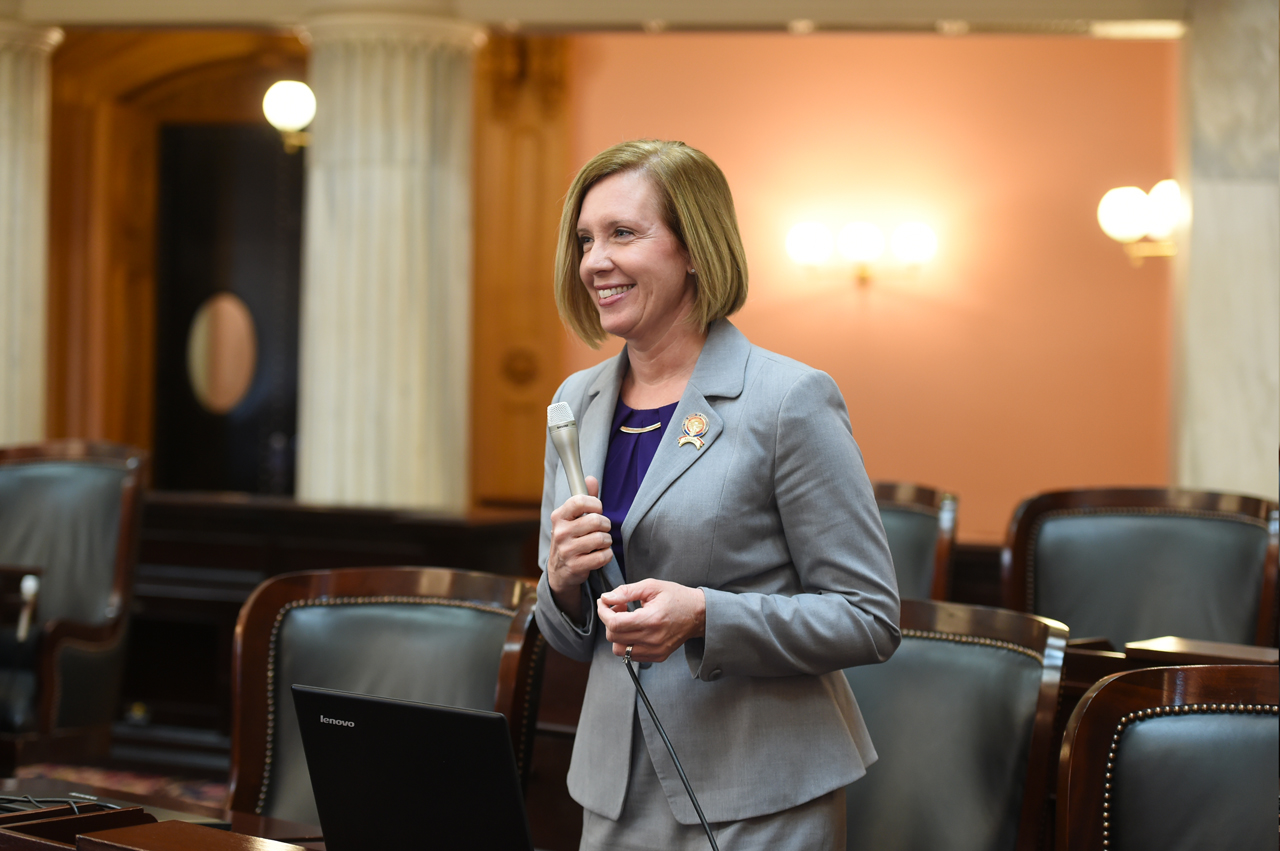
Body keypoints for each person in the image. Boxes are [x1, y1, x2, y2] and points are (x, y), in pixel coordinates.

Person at [535, 139, 900, 851]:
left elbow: (869, 616)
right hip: (612, 791)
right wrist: (559, 580)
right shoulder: (573, 403)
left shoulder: (789, 399)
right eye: (585, 239)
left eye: (622, 234)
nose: (594, 261)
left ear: (696, 248)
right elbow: (565, 631)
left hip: (761, 793)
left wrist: (705, 614)